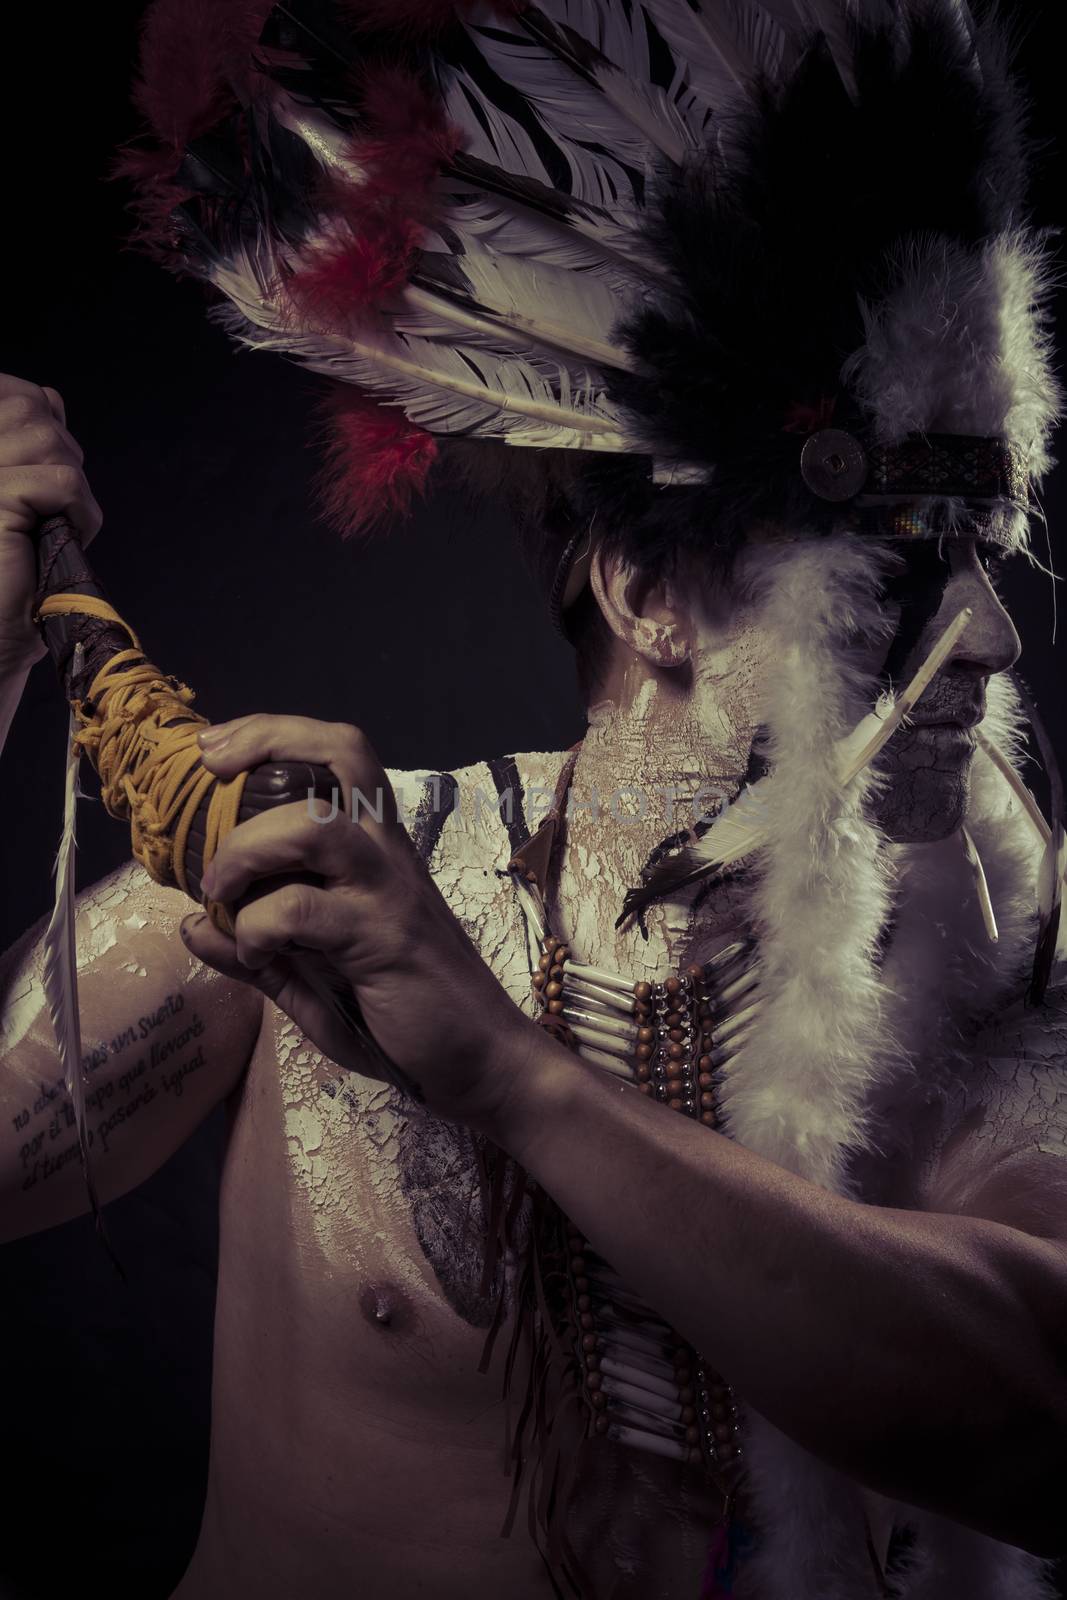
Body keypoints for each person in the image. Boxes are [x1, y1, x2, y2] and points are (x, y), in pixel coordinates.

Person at [3, 2, 1066, 1598]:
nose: (986, 640)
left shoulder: (1002, 955)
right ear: (651, 593)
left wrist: (512, 1076)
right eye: (897, 567)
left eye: (990, 558)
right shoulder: (326, 885)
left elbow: (1041, 1418)